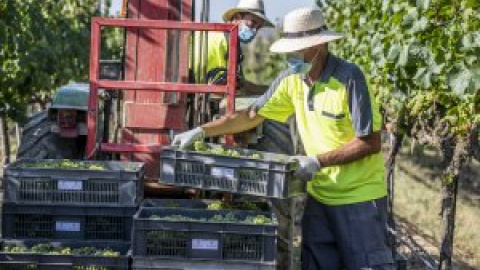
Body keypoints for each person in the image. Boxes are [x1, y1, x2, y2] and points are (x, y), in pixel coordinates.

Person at [175, 7, 396, 270]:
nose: (292, 56)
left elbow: (370, 142)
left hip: (359, 200)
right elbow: (251, 115)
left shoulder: (349, 78)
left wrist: (317, 161)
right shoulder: (292, 79)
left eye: (298, 49)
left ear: (320, 46)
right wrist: (203, 131)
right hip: (319, 198)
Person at [192, 0, 273, 95]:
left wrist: (272, 89)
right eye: (252, 23)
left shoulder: (220, 36)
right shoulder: (226, 41)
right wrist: (273, 90)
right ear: (236, 18)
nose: (254, 30)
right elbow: (240, 88)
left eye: (258, 27)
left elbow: (240, 84)